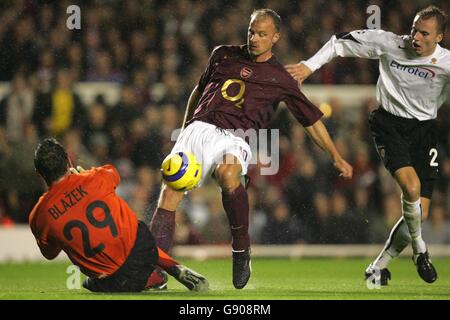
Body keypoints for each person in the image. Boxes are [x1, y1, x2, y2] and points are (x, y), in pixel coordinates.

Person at [148, 8, 353, 290]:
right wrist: (184, 132)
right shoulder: (222, 54)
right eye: (251, 32)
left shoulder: (281, 78)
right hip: (199, 127)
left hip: (236, 136)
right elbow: (199, 90)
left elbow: (310, 120)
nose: (254, 38)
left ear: (275, 38)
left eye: (262, 34)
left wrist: (335, 156)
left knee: (228, 173)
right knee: (170, 191)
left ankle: (241, 249)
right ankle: (154, 272)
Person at [285, 5, 449, 285]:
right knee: (411, 188)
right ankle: (421, 252)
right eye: (413, 30)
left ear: (439, 38)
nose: (415, 38)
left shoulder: (445, 64)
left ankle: (378, 267)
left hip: (424, 132)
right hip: (389, 124)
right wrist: (309, 66)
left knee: (416, 220)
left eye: (424, 33)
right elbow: (339, 43)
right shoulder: (389, 44)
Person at [29, 138, 209, 292]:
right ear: (69, 161)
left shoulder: (39, 215)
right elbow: (114, 176)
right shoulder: (95, 177)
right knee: (130, 223)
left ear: (39, 174)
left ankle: (151, 280)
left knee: (88, 283)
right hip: (144, 249)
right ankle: (170, 266)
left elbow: (50, 254)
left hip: (112, 280)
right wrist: (83, 176)